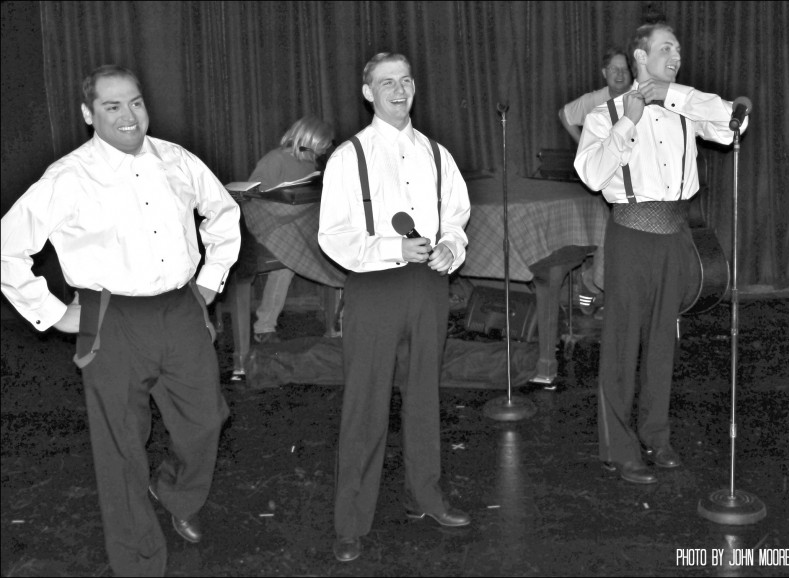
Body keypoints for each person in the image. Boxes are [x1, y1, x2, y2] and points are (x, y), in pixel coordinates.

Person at [0, 64, 241, 576]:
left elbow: (223, 215)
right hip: (110, 315)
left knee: (205, 419)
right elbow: (7, 248)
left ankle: (176, 491)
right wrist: (54, 313)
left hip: (179, 308)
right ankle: (138, 562)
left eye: (135, 102)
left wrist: (208, 282)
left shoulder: (177, 160)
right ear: (89, 114)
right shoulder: (68, 177)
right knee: (120, 445)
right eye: (112, 105)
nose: (128, 115)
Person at [574, 24, 747, 484]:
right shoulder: (603, 115)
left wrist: (676, 92)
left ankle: (656, 433)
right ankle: (620, 447)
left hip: (675, 235)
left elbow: (735, 122)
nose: (676, 55)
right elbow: (591, 174)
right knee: (621, 343)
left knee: (663, 343)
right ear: (639, 55)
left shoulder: (683, 110)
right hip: (630, 235)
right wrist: (628, 121)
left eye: (678, 50)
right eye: (666, 48)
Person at [318, 52, 471, 562]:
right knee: (365, 406)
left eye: (406, 80)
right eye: (387, 83)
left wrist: (451, 246)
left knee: (425, 396)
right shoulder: (348, 157)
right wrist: (391, 249)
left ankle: (424, 496)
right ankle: (351, 522)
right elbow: (333, 237)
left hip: (428, 288)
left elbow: (455, 215)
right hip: (374, 288)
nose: (399, 90)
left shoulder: (435, 153)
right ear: (368, 93)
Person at [246, 116, 334, 343]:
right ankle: (264, 328)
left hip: (300, 224)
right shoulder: (275, 159)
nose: (325, 150)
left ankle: (337, 321)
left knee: (334, 246)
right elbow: (253, 195)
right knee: (285, 264)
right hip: (272, 223)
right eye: (321, 144)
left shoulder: (310, 163)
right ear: (308, 139)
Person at [559, 46, 632, 316]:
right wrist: (585, 148)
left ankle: (595, 283)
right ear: (604, 73)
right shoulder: (597, 100)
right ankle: (596, 286)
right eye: (614, 69)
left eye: (624, 69)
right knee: (611, 239)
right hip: (608, 185)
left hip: (636, 184)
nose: (620, 74)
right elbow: (565, 115)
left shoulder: (640, 96)